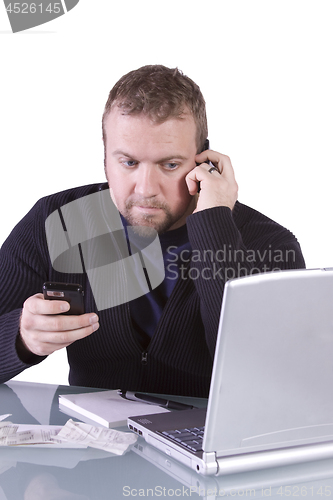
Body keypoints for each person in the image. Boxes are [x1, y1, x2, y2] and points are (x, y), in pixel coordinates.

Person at [0, 65, 305, 395]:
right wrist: (19, 337)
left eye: (170, 164)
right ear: (105, 157)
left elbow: (271, 380)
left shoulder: (269, 242)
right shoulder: (56, 220)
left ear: (203, 161)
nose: (145, 189)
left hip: (209, 443)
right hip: (94, 440)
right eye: (128, 163)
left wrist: (215, 222)